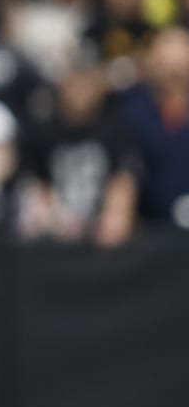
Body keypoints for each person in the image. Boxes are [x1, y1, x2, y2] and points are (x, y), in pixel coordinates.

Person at [19, 55, 140, 246]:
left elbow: (126, 176)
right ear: (62, 85)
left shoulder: (115, 129)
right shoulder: (44, 129)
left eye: (87, 84)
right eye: (74, 84)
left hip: (101, 232)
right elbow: (34, 179)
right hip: (55, 230)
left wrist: (116, 212)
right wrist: (50, 213)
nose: (80, 92)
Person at [111, 27, 189, 232]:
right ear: (152, 65)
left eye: (180, 68)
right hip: (151, 232)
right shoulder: (133, 110)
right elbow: (127, 168)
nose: (174, 75)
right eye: (166, 65)